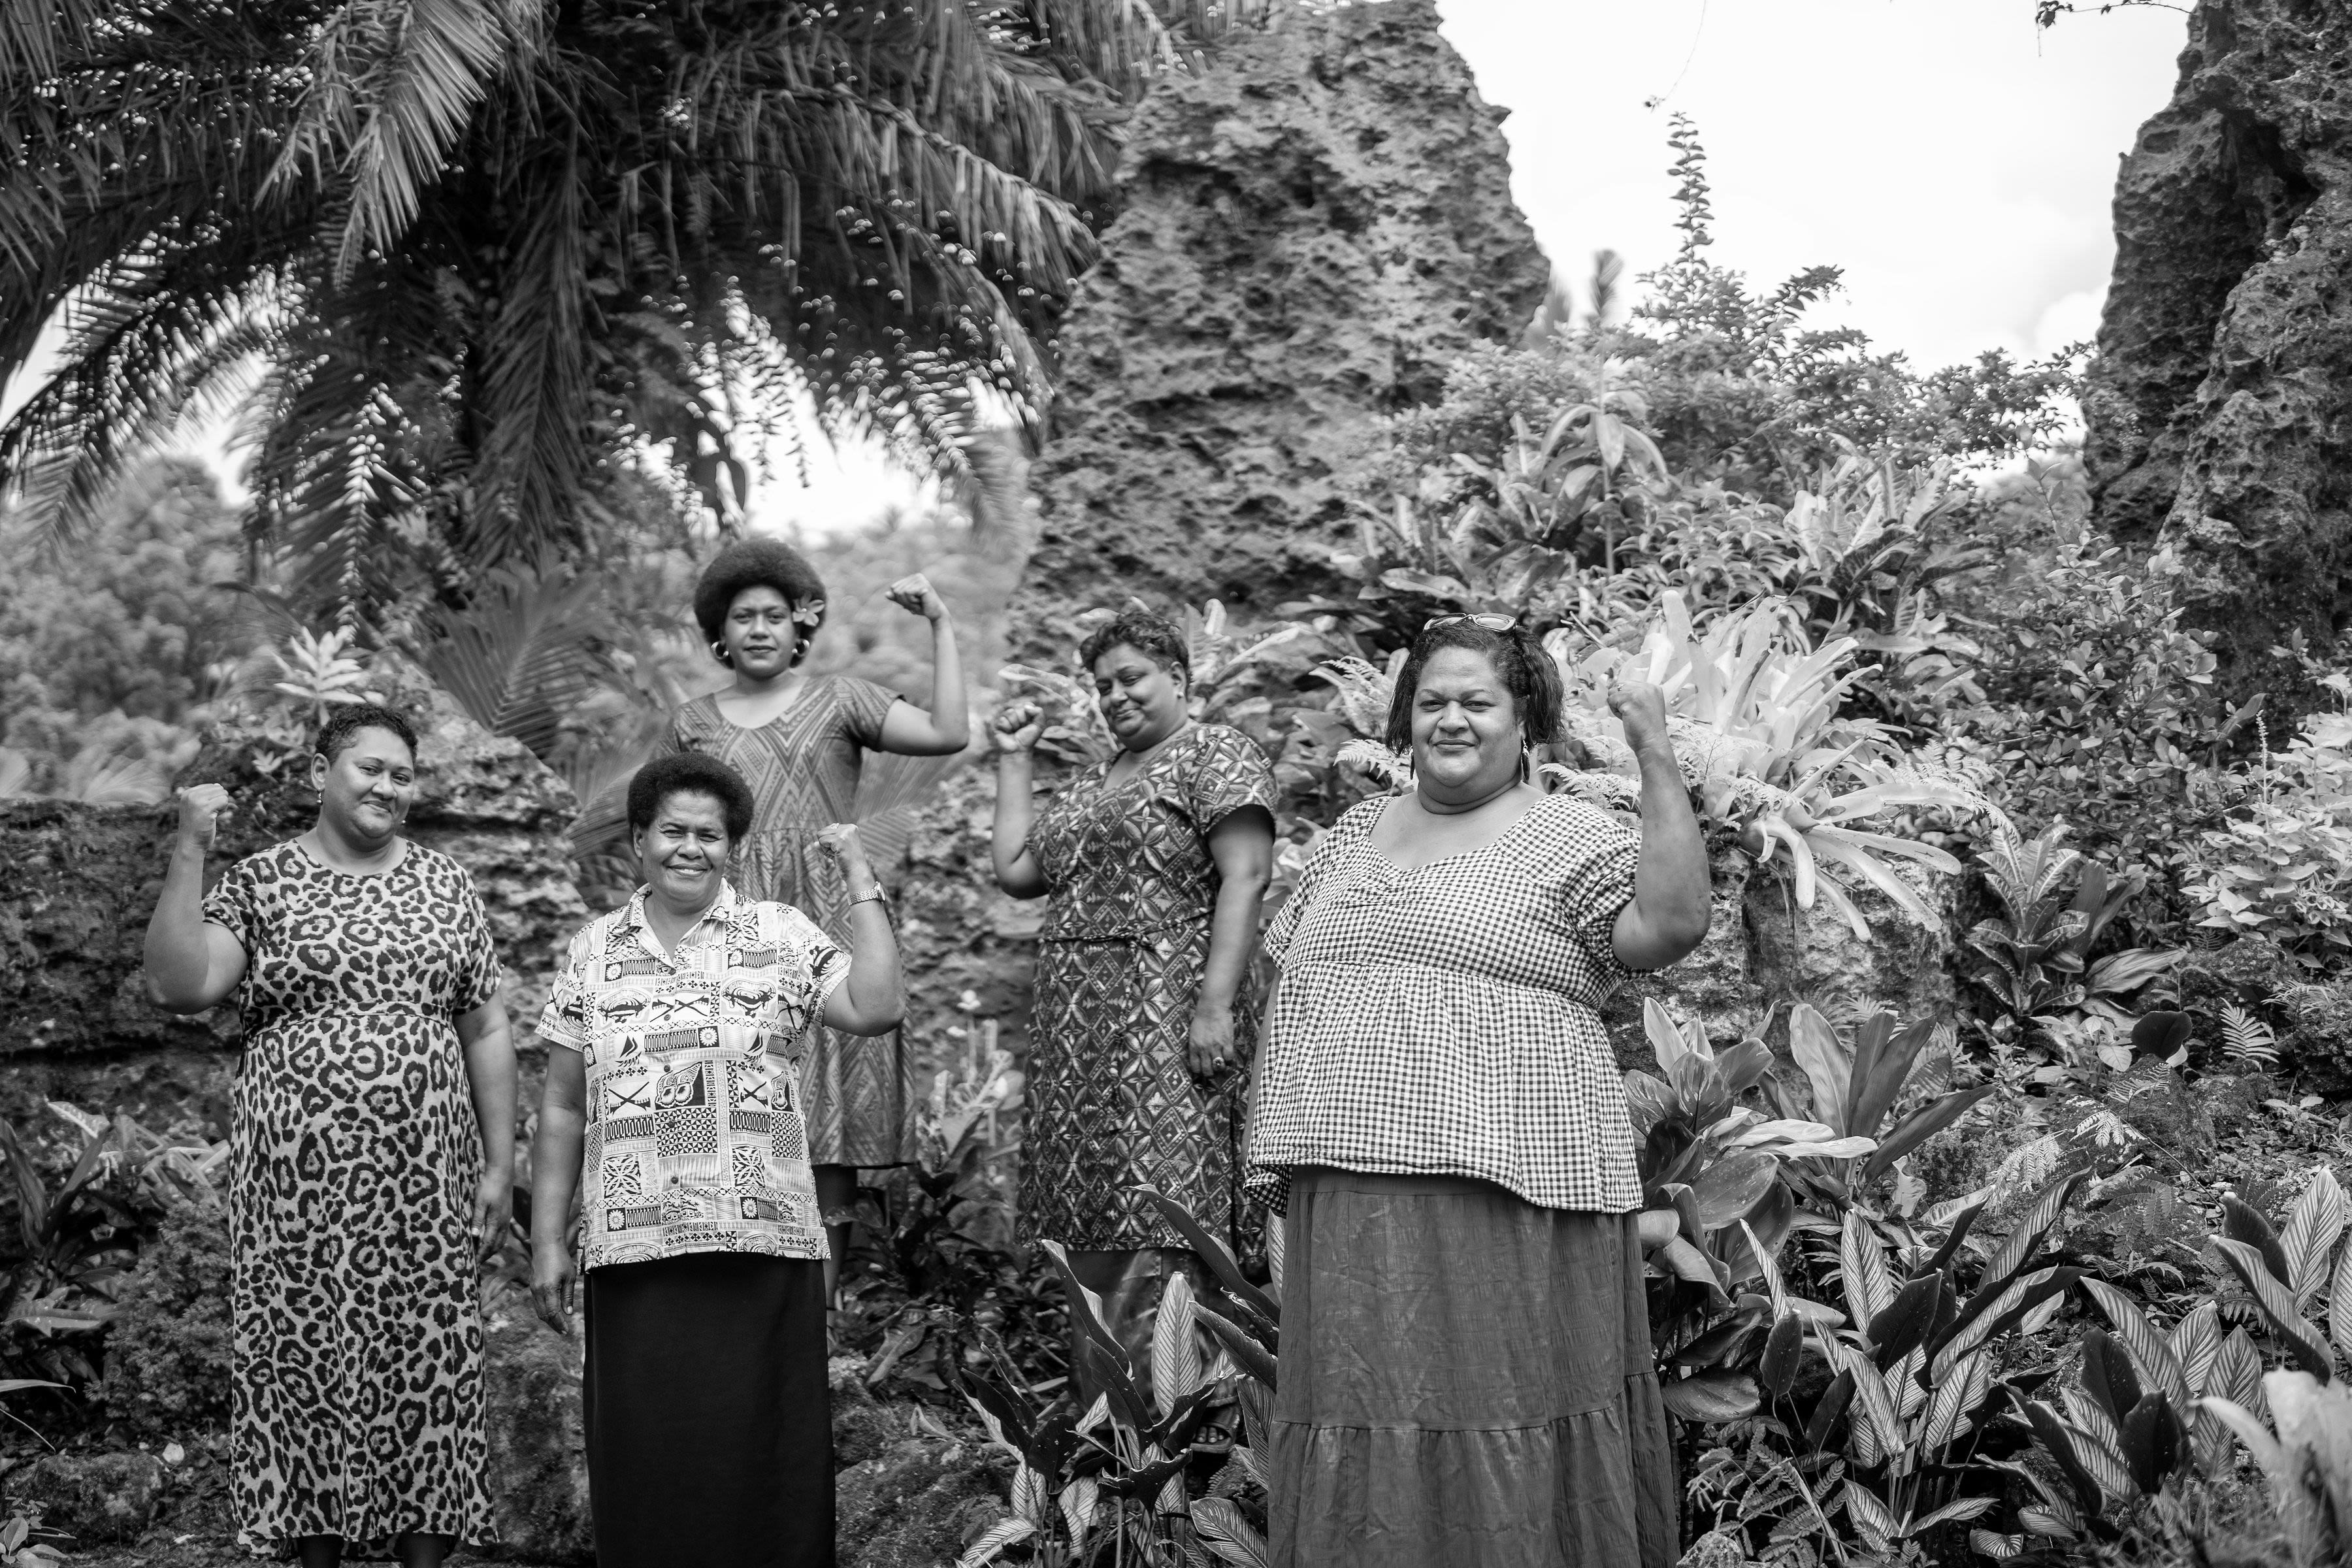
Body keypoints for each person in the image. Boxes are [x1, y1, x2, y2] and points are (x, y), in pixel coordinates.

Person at [1246, 614, 1711, 1568]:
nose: (1450, 720)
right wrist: (1269, 1175)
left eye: (1477, 703)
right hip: (1344, 1199)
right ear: (1405, 717)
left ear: (1524, 719)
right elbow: (1289, 982)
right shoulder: (1350, 838)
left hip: (1505, 1195)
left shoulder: (1568, 836)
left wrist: (1653, 750)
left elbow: (1670, 924)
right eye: (1432, 701)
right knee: (1363, 1415)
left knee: (1501, 1415)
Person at [142, 706, 516, 1568]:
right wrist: (190, 846)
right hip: (295, 1183)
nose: (389, 786)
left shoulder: (445, 883)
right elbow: (183, 983)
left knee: (425, 1357)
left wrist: (501, 1163)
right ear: (320, 774)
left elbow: (486, 1028)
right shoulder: (263, 881)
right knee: (303, 1357)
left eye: (403, 773)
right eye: (370, 768)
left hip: (425, 1176)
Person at [527, 751, 902, 1568]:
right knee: (650, 1457)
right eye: (672, 831)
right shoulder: (593, 950)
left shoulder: (779, 934)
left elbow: (878, 1007)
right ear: (637, 841)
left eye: (709, 833)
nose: (689, 847)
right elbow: (560, 1105)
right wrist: (549, 1240)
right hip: (636, 1247)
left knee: (767, 1452)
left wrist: (858, 877)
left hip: (759, 1240)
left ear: (732, 845)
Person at [663, 537, 966, 1293]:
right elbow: (671, 831)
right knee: (727, 1079)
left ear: (801, 626)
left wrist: (941, 624)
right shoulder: (691, 721)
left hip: (828, 908)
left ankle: (821, 1306)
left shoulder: (842, 697)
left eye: (774, 615)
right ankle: (729, 1279)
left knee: (826, 1099)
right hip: (729, 914)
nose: (759, 629)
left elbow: (948, 734)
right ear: (718, 633)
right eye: (742, 617)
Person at [989, 607, 1277, 1400]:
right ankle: (1107, 1425)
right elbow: (1018, 869)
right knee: (1088, 1203)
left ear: (1178, 678)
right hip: (1075, 1026)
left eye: (1131, 679)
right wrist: (1013, 758)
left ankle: (1177, 1423)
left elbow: (1246, 876)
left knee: (1159, 1194)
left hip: (1167, 1003)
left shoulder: (1214, 752)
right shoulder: (1092, 781)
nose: (1114, 696)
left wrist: (1215, 1006)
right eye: (1102, 684)